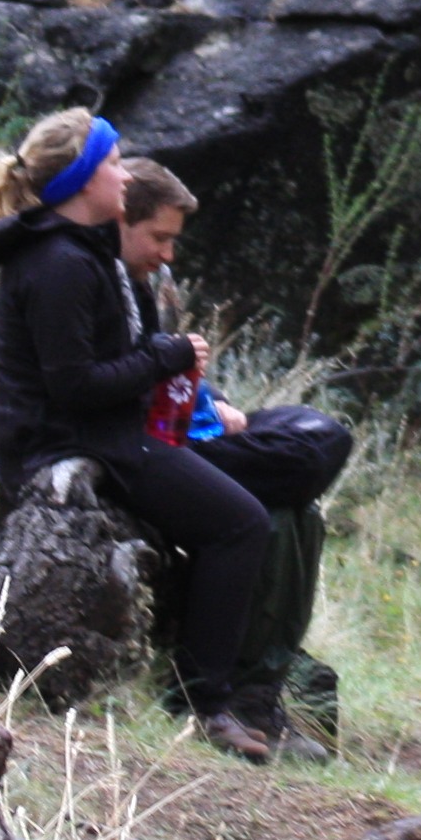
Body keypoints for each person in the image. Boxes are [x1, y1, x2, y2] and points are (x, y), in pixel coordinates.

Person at [0, 108, 278, 763]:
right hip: (70, 448)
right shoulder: (59, 261)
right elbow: (75, 386)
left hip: (98, 434)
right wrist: (165, 357)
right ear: (86, 179)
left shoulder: (77, 250)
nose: (123, 172)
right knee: (241, 524)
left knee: (237, 506)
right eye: (112, 162)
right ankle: (208, 703)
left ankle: (210, 687)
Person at [116, 159, 352, 755]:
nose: (169, 254)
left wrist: (213, 401)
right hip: (147, 450)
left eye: (174, 241)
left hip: (186, 434)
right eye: (160, 237)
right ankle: (221, 695)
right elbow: (107, 382)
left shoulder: (144, 284)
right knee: (287, 487)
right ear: (121, 219)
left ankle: (258, 691)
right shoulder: (86, 277)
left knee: (313, 460)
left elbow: (173, 366)